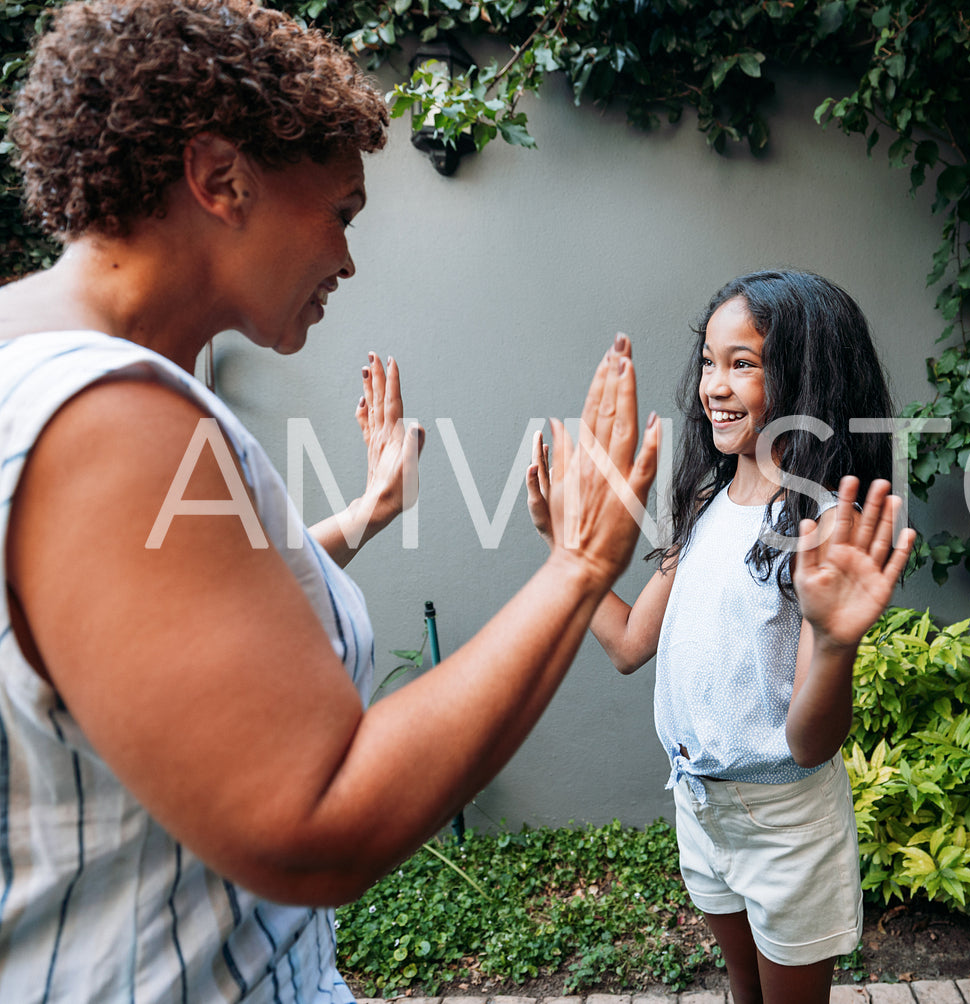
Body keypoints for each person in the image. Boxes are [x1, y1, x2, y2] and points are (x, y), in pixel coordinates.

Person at [0, 1, 658, 1001]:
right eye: (340, 214)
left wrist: (365, 511)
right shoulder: (109, 419)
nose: (347, 260)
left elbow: (155, 638)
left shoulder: (33, 359)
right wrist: (579, 564)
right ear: (221, 179)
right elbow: (314, 828)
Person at [527, 269, 917, 1004]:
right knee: (742, 988)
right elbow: (627, 645)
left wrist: (835, 645)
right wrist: (566, 554)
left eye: (742, 363)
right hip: (699, 805)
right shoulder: (708, 500)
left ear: (807, 379)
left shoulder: (822, 527)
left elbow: (809, 743)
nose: (713, 384)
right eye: (709, 360)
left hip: (782, 824)